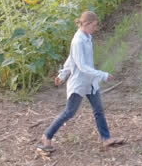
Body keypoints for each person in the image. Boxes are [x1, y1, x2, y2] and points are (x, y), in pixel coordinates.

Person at [38, 10, 125, 151]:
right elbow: (81, 66)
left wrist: (62, 75)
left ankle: (106, 138)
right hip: (79, 83)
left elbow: (71, 58)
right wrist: (102, 75)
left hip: (90, 83)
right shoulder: (78, 41)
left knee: (98, 110)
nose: (95, 28)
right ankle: (46, 136)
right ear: (87, 24)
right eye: (94, 25)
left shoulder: (87, 37)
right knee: (69, 112)